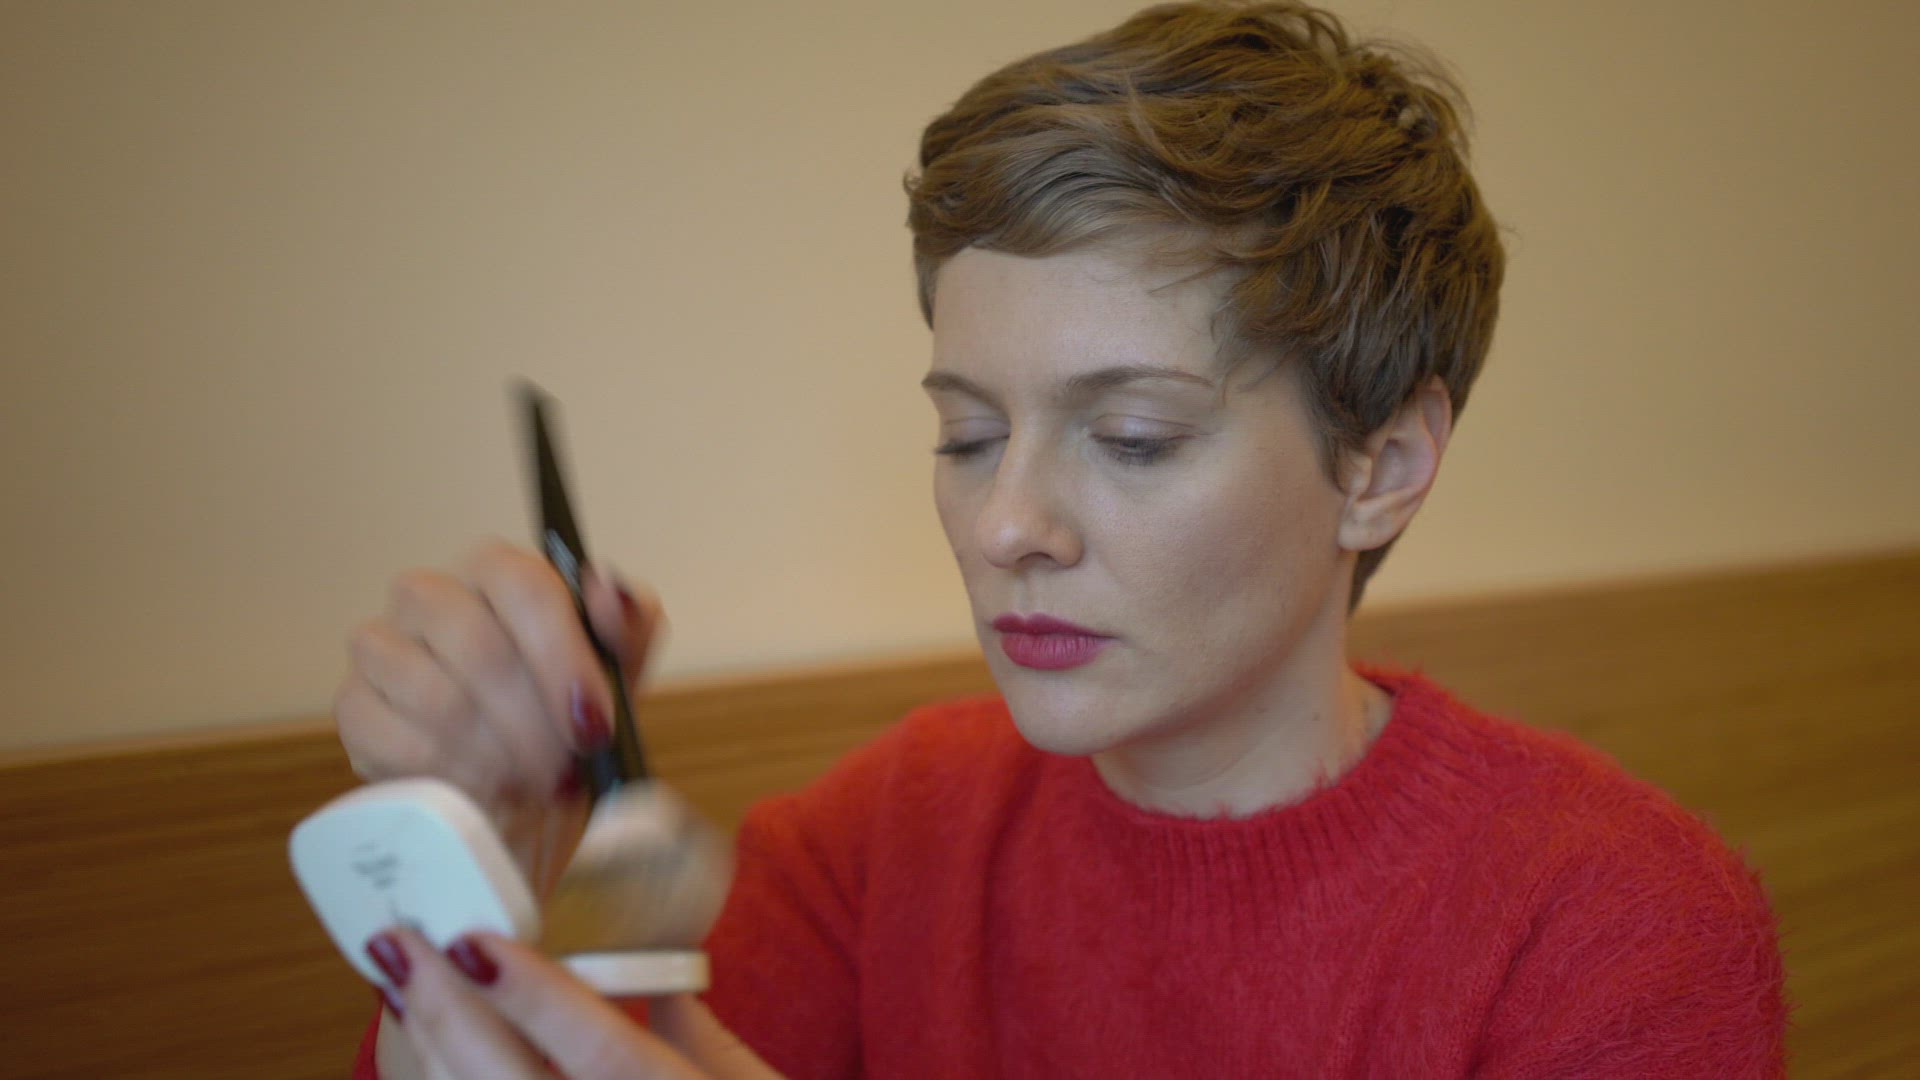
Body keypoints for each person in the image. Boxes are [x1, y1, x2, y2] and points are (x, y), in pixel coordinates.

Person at [338, 2, 1788, 1076]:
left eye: (1134, 437)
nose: (1005, 524)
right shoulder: (885, 840)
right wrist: (488, 874)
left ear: (1382, 467)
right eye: (969, 435)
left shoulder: (1612, 925)